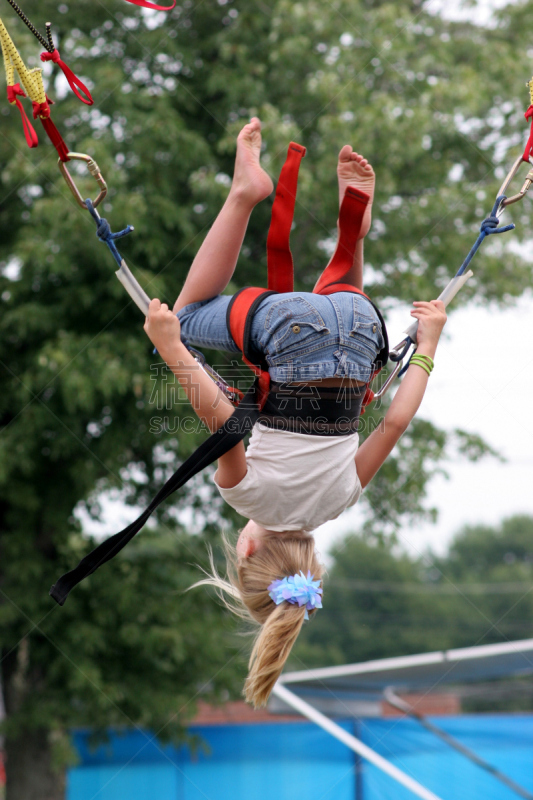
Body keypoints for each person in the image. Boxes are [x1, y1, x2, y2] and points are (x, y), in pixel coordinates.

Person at [143, 118, 447, 707]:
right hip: (291, 334)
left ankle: (353, 219)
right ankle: (245, 191)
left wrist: (429, 341)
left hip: (365, 327)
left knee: (349, 364)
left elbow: (392, 420)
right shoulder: (246, 499)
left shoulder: (340, 500)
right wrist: (169, 346)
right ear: (250, 551)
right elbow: (223, 415)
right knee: (186, 310)